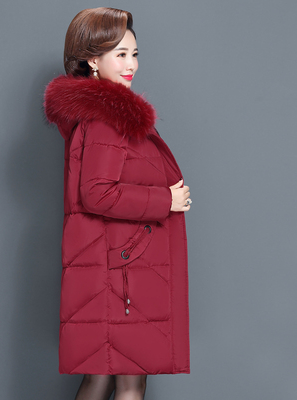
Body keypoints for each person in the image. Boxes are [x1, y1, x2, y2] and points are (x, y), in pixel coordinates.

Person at [44, 7, 191, 400]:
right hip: (120, 272)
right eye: (120, 54)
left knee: (104, 377)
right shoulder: (107, 118)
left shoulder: (100, 115)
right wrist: (166, 199)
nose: (131, 65)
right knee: (127, 381)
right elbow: (96, 192)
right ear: (93, 60)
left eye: (135, 54)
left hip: (114, 266)